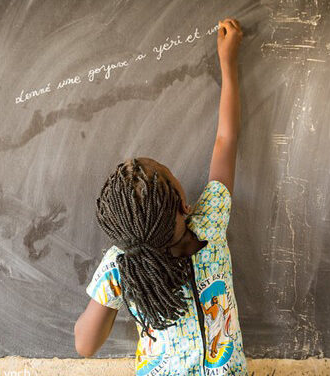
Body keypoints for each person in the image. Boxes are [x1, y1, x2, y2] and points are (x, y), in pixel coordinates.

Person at [74, 18, 246, 375]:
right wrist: (228, 65)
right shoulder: (209, 225)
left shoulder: (122, 266)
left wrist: (115, 279)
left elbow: (84, 345)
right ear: (185, 205)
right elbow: (225, 141)